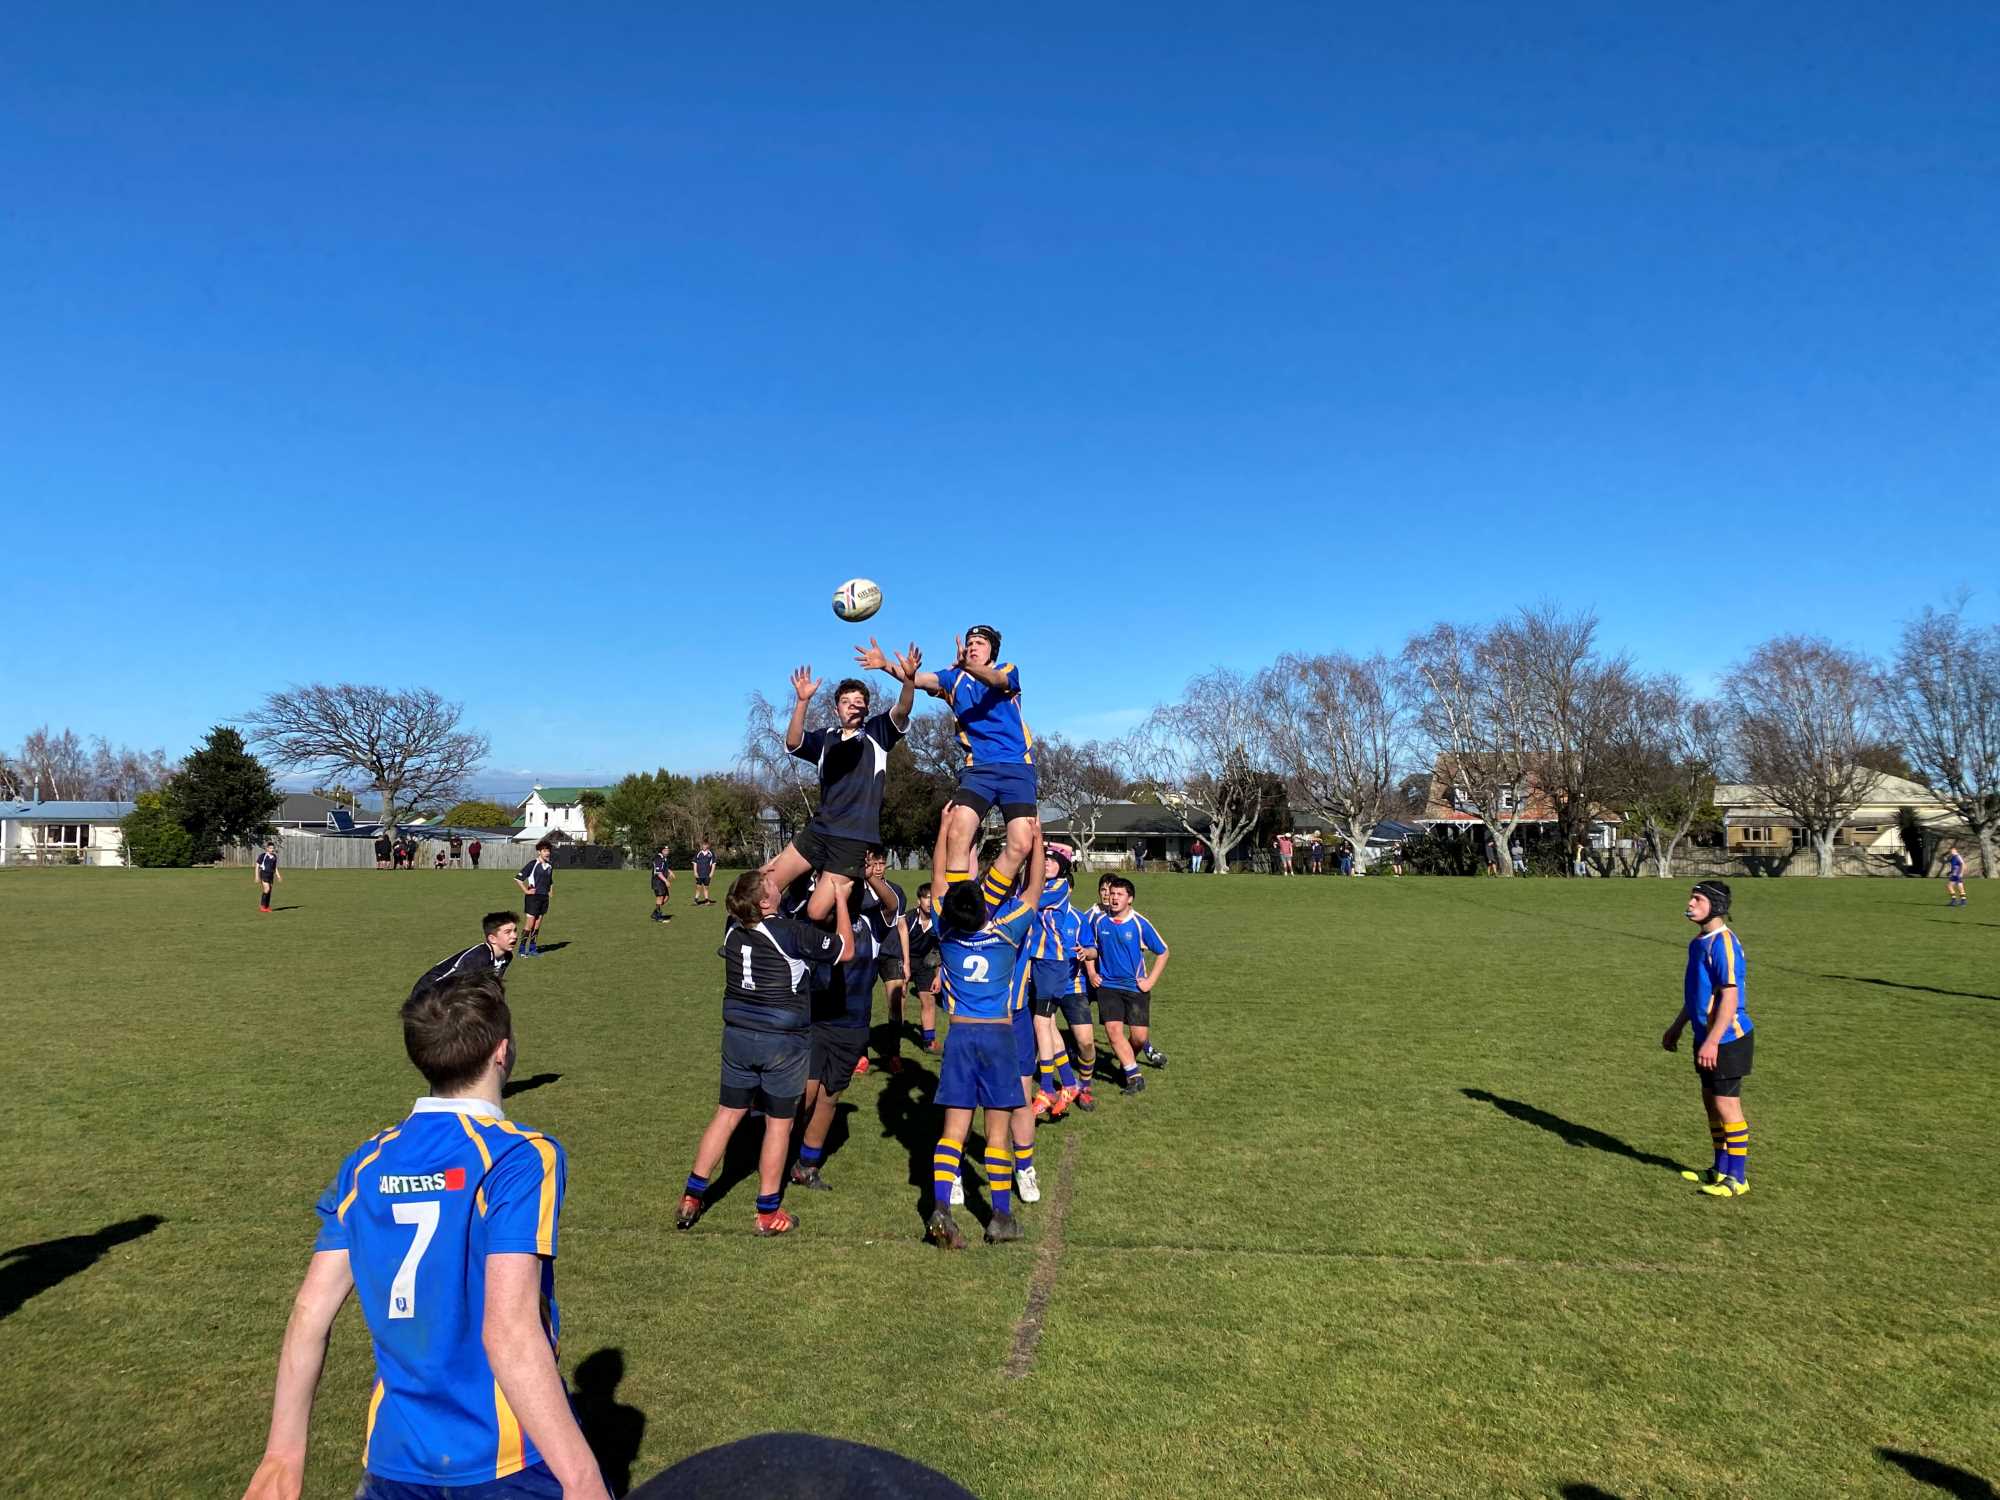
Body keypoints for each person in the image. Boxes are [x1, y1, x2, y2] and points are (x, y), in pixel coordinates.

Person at [239, 971, 610, 1500]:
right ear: (502, 1052)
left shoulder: (365, 1164)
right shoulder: (519, 1156)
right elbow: (508, 1331)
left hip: (396, 1461)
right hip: (505, 1460)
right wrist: (582, 1477)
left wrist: (282, 1453)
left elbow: (309, 1316)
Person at [678, 871, 852, 1236]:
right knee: (779, 1125)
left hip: (737, 1037)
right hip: (781, 1042)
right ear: (764, 901)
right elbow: (844, 950)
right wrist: (840, 899)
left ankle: (692, 1195)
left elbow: (767, 885)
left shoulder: (732, 925)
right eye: (771, 884)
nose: (777, 882)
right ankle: (767, 1212)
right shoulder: (790, 933)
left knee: (727, 1114)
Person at [926, 820, 1043, 1249]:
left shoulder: (946, 933)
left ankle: (940, 1207)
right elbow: (1031, 891)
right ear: (984, 908)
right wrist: (1037, 843)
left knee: (952, 1132)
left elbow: (940, 879)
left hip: (959, 1038)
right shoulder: (1005, 932)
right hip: (997, 1038)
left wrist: (944, 831)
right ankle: (1000, 1216)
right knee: (996, 1133)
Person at [867, 627, 1037, 911]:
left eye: (980, 643)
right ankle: (961, 905)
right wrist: (886, 665)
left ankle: (986, 907)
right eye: (970, 643)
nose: (973, 647)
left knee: (1021, 843)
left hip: (1017, 768)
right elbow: (918, 679)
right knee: (957, 831)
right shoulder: (954, 677)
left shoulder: (1007, 669)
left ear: (991, 651)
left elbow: (996, 679)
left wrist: (968, 666)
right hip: (978, 771)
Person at [763, 655, 918, 925]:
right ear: (837, 709)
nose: (852, 707)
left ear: (867, 708)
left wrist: (909, 680)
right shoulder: (826, 738)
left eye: (858, 702)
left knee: (816, 912)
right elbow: (793, 742)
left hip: (852, 839)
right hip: (819, 830)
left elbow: (902, 709)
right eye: (845, 702)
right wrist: (802, 702)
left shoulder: (877, 733)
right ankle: (773, 942)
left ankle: (852, 886)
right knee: (764, 887)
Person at [791, 855, 897, 1189]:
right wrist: (830, 885)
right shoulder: (813, 919)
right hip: (814, 1021)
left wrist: (871, 877)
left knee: (830, 1097)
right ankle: (775, 1156)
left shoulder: (871, 922)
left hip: (853, 1026)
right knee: (804, 1096)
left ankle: (806, 1166)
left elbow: (892, 904)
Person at [1663, 881, 1756, 1199]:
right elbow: (1698, 995)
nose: (1690, 903)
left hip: (1729, 1039)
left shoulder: (1723, 945)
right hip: (1707, 1037)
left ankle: (1738, 1178)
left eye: (1697, 899)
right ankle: (1719, 1168)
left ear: (1715, 905)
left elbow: (1729, 999)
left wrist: (1713, 1041)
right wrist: (1678, 1025)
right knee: (1710, 1105)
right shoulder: (1698, 942)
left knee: (1726, 1105)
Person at [1082, 874, 1170, 1095]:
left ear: (1130, 899)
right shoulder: (1098, 921)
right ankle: (1134, 1076)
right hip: (1108, 986)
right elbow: (1091, 949)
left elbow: (1163, 951)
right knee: (1113, 1031)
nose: (1113, 898)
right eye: (1112, 893)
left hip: (1135, 987)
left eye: (1119, 894)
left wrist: (1150, 981)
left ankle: (1126, 1062)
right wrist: (1092, 973)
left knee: (1139, 1038)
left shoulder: (1140, 923)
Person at [1028, 845, 1096, 1115]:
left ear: (1064, 868)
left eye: (1052, 861)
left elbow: (1028, 901)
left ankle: (1046, 1087)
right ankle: (1068, 1083)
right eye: (1043, 859)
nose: (1046, 864)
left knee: (1040, 1023)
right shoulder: (1041, 883)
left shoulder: (1057, 887)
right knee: (1050, 1025)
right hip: (1041, 963)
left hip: (1051, 963)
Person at [410, 912, 519, 1003]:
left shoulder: (507, 957)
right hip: (428, 996)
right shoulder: (477, 958)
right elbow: (452, 987)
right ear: (492, 938)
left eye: (515, 930)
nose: (514, 936)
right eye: (507, 932)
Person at [906, 882, 943, 1053]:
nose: (929, 902)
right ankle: (894, 1042)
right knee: (899, 1000)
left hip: (925, 963)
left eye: (931, 898)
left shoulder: (939, 922)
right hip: (904, 959)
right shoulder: (909, 919)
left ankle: (929, 1041)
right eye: (925, 897)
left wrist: (938, 976)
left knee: (928, 1000)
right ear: (918, 900)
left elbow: (941, 952)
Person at [514, 841, 554, 956]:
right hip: (533, 898)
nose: (547, 853)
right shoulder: (533, 864)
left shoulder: (550, 866)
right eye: (545, 851)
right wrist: (526, 891)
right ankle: (522, 949)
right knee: (529, 924)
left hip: (544, 898)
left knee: (537, 925)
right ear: (539, 852)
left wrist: (550, 891)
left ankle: (532, 949)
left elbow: (550, 881)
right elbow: (518, 878)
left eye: (548, 850)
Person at [255, 839, 282, 913]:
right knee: (266, 889)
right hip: (264, 874)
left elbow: (274, 867)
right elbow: (257, 866)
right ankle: (262, 906)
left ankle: (267, 906)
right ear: (267, 848)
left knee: (269, 890)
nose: (272, 849)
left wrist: (278, 875)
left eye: (273, 848)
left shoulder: (274, 857)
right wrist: (256, 876)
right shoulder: (263, 856)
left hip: (271, 875)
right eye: (270, 848)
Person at [650, 843, 674, 924]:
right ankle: (658, 917)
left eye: (668, 850)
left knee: (666, 897)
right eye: (665, 850)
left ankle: (655, 912)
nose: (667, 852)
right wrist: (666, 881)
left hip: (662, 881)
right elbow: (658, 872)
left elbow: (664, 868)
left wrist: (670, 871)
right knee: (660, 897)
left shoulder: (664, 858)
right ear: (662, 851)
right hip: (658, 881)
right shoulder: (658, 858)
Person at [692, 841, 718, 906]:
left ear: (708, 846)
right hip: (699, 873)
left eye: (705, 845)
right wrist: (695, 872)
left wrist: (712, 873)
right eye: (703, 845)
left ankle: (706, 900)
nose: (704, 846)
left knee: (706, 887)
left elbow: (713, 864)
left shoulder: (711, 853)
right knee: (698, 887)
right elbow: (695, 863)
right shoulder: (698, 853)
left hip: (707, 874)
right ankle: (696, 900)